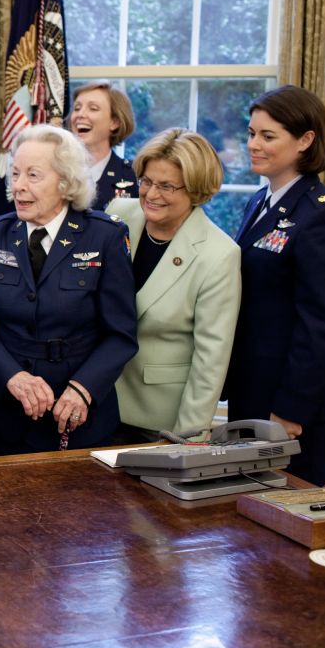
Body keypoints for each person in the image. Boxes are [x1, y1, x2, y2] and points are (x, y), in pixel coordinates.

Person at [0, 124, 137, 454]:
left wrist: (83, 389)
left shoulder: (105, 236)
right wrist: (13, 377)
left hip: (74, 414)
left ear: (65, 181)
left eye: (33, 175)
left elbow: (121, 334)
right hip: (1, 413)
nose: (18, 187)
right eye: (14, 174)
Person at [225, 85, 325, 486]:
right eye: (251, 133)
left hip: (295, 405)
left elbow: (323, 325)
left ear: (305, 140)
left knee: (287, 526)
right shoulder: (259, 201)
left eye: (268, 136)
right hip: (253, 392)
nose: (254, 144)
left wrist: (290, 411)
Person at [108, 129, 241, 441]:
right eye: (147, 181)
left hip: (159, 423)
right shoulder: (118, 215)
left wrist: (186, 443)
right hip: (97, 404)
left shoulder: (218, 255)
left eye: (166, 186)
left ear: (195, 191)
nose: (151, 194)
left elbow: (210, 361)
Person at [69, 81, 138, 209]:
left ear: (114, 122)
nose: (80, 115)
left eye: (93, 108)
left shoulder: (133, 175)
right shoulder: (56, 170)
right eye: (77, 108)